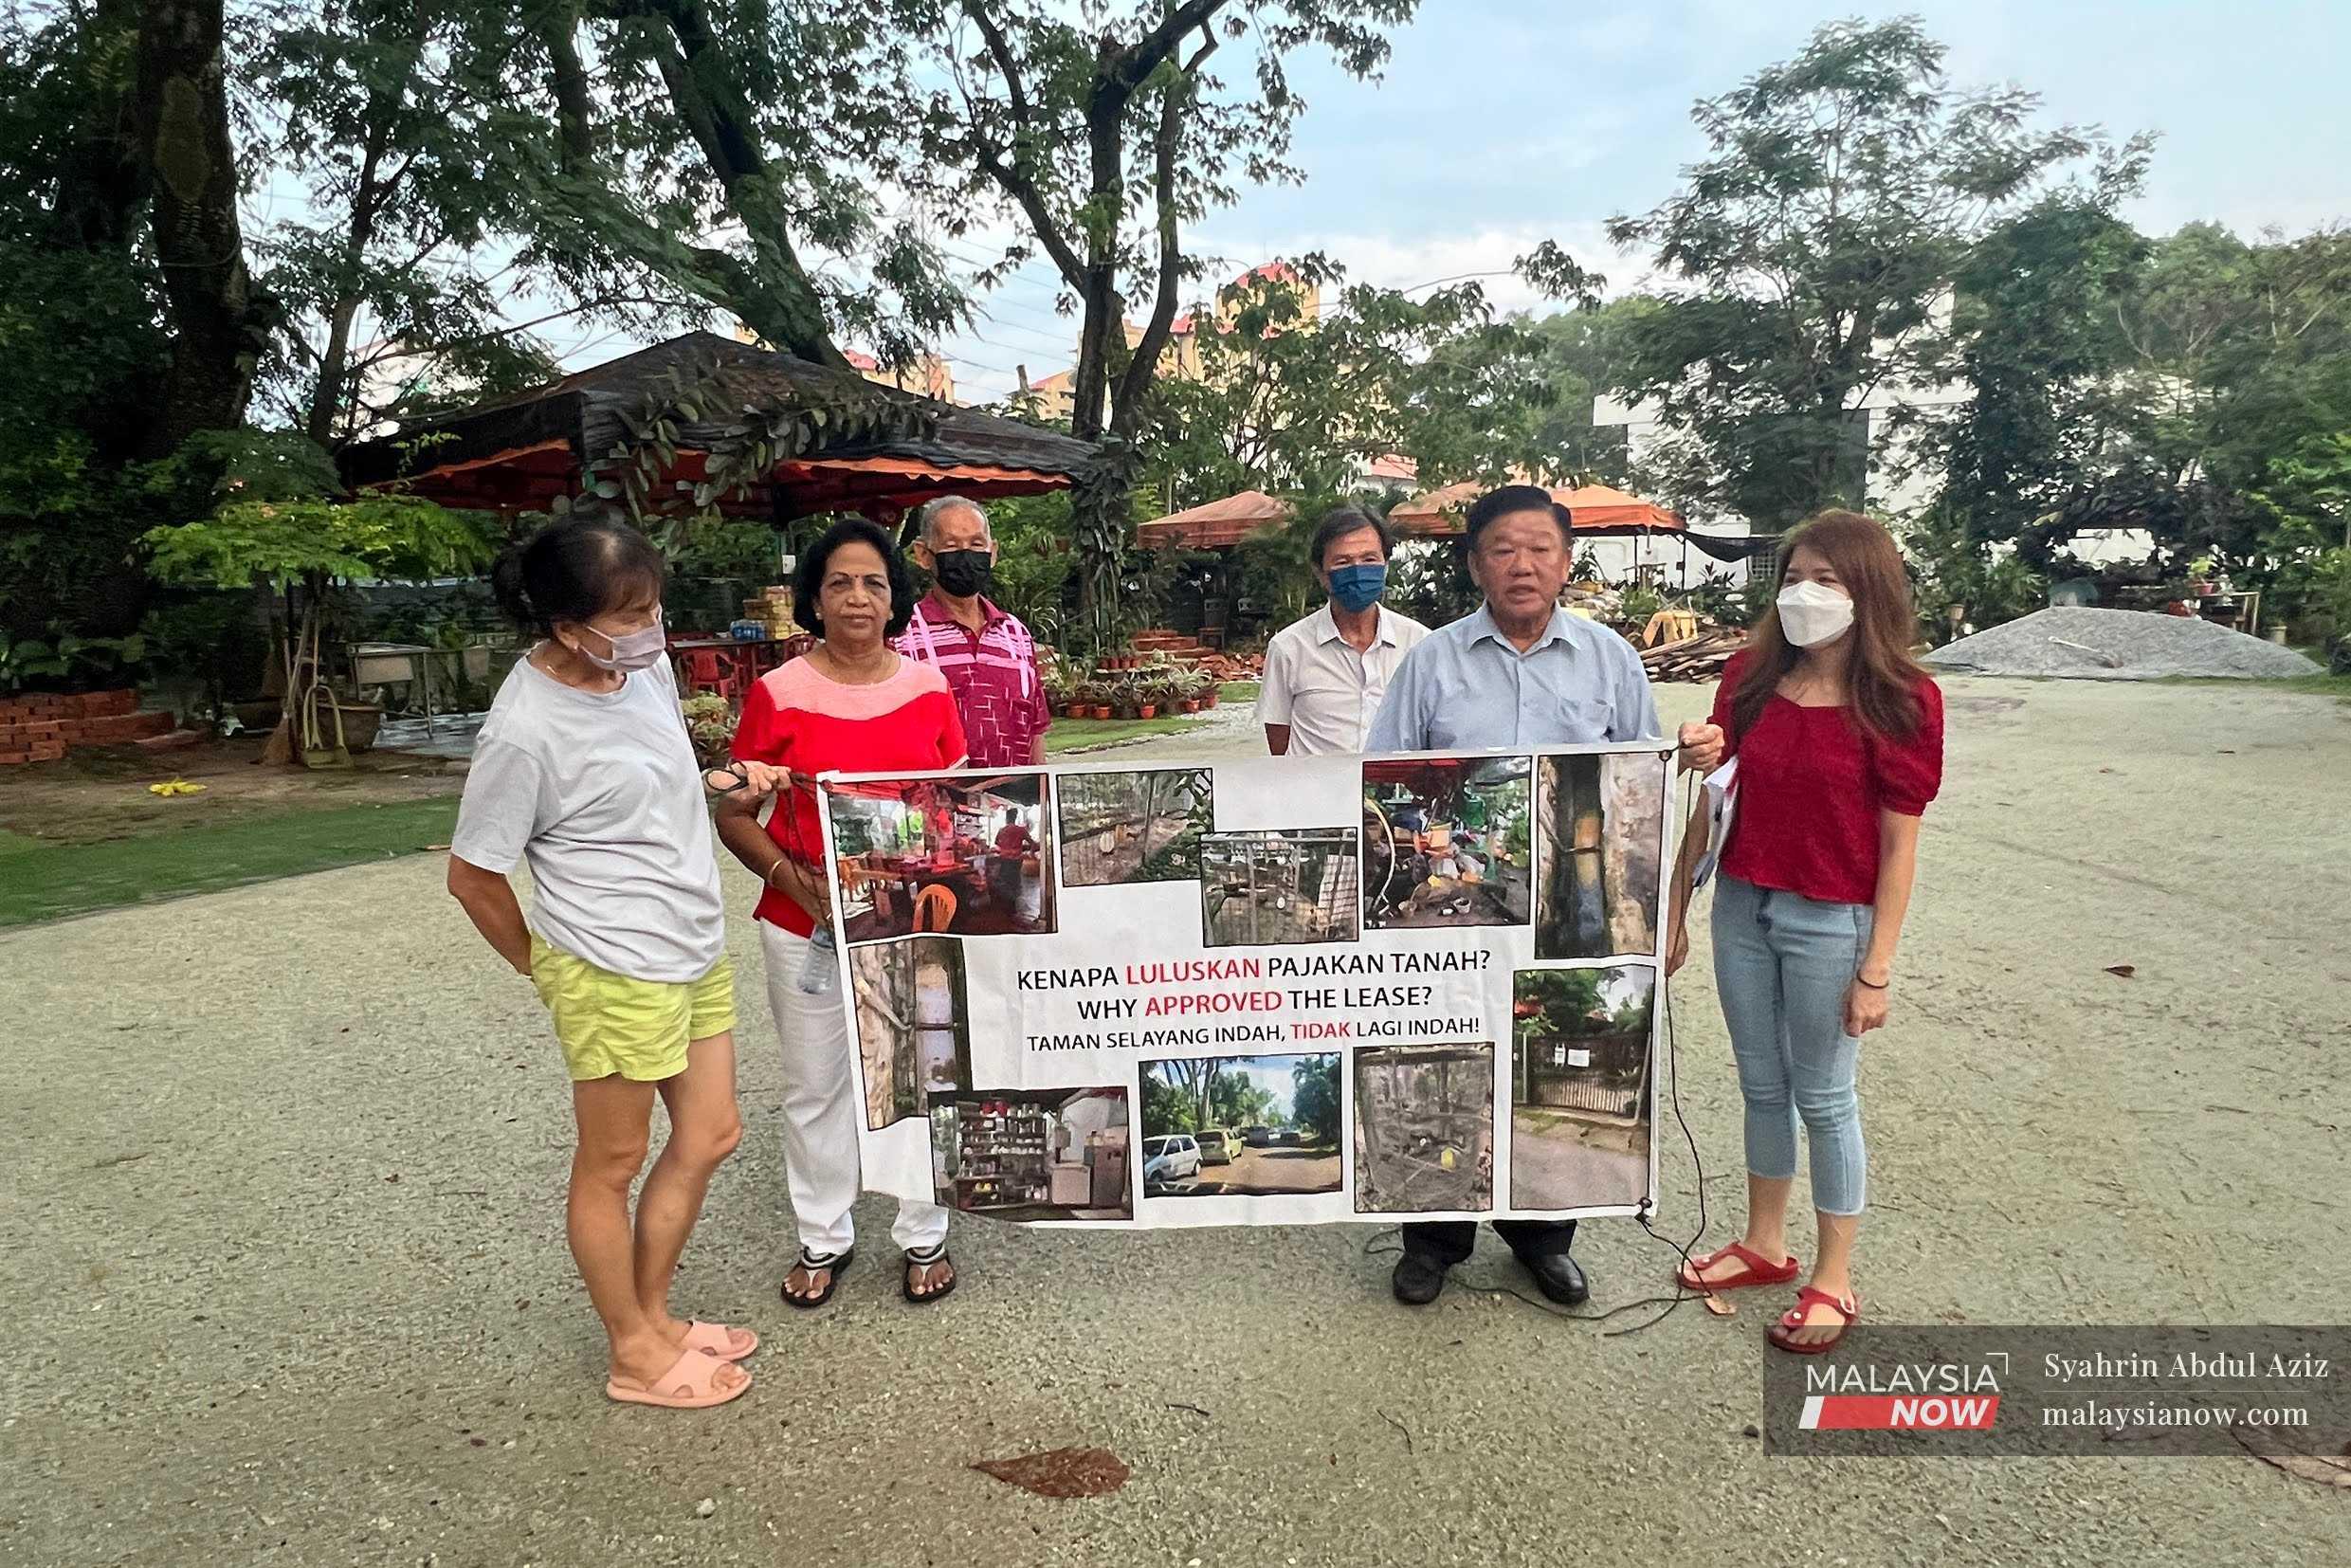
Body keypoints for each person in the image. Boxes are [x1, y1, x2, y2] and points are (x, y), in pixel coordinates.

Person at [1368, 483, 1724, 1309]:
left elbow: (1644, 788)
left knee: (1555, 1052)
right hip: (1461, 906)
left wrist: (1658, 911)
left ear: (1566, 563)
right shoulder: (1433, 662)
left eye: (1539, 549)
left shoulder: (1611, 660)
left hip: (1576, 908)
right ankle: (1435, 1239)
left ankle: (1543, 1238)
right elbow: (1382, 779)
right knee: (1447, 1050)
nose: (1521, 565)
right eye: (1502, 549)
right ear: (1473, 565)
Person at [447, 517, 769, 1411]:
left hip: (692, 943)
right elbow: (472, 876)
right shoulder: (524, 730)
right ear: (563, 626)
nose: (649, 630)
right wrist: (542, 968)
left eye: (653, 607)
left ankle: (656, 1317)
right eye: (629, 615)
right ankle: (633, 1351)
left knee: (710, 1135)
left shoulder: (644, 670)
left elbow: (653, 785)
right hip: (612, 965)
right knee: (612, 1164)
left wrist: (724, 784)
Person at [1664, 510, 1942, 1355]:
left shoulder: (1902, 699)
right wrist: (1674, 907)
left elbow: (1900, 844)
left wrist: (1878, 968)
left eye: (1827, 580)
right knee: (1761, 1086)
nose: (1805, 594)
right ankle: (1764, 1242)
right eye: (1794, 577)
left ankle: (1833, 1276)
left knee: (1824, 1097)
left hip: (1833, 919)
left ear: (1869, 591)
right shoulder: (1748, 678)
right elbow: (1716, 802)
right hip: (1744, 904)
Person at [715, 518, 969, 1308]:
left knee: (922, 1071)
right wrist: (798, 884)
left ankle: (924, 1232)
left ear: (894, 600)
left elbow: (958, 810)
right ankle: (823, 1235)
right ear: (813, 601)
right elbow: (732, 815)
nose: (858, 597)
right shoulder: (776, 694)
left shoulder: (929, 690)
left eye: (874, 583)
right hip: (805, 922)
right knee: (817, 1084)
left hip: (910, 917)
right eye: (839, 583)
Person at [1259, 506, 1431, 756]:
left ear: (1385, 565)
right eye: (1343, 562)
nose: (1358, 570)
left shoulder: (1419, 643)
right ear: (1322, 574)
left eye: (1369, 559)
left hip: (1391, 791)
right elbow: (1278, 743)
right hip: (1317, 792)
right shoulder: (1289, 648)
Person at [895, 496, 1050, 767]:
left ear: (993, 553)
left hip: (1015, 804)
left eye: (976, 544)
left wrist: (1044, 802)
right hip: (938, 805)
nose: (966, 555)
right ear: (923, 554)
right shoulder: (901, 636)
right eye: (951, 545)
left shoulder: (1016, 635)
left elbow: (1034, 732)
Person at [990, 808, 1039, 915]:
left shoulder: (1002, 830)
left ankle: (1007, 909)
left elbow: (997, 843)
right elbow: (1033, 844)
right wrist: (1031, 853)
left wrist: (1005, 846)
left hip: (1004, 859)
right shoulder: (1020, 830)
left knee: (1004, 882)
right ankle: (1013, 909)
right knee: (1014, 882)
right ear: (1015, 818)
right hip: (1016, 860)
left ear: (1007, 818)